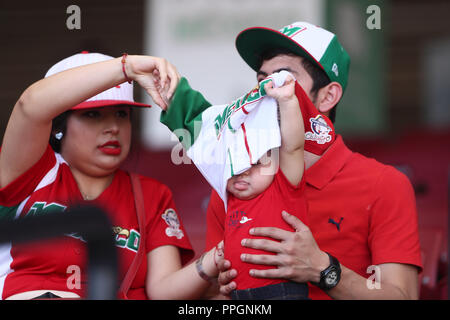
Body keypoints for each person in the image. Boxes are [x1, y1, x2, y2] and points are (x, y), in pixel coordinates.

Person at [161, 21, 423, 299]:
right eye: (262, 80)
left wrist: (323, 269)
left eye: (283, 79)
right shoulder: (236, 180)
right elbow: (219, 293)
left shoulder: (385, 183)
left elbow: (402, 296)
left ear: (328, 96)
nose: (266, 91)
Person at [0, 52, 222, 300]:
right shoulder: (33, 170)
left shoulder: (150, 193)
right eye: (93, 115)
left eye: (121, 114)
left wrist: (215, 258)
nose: (113, 128)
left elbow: (164, 292)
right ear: (58, 125)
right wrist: (127, 67)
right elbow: (29, 106)